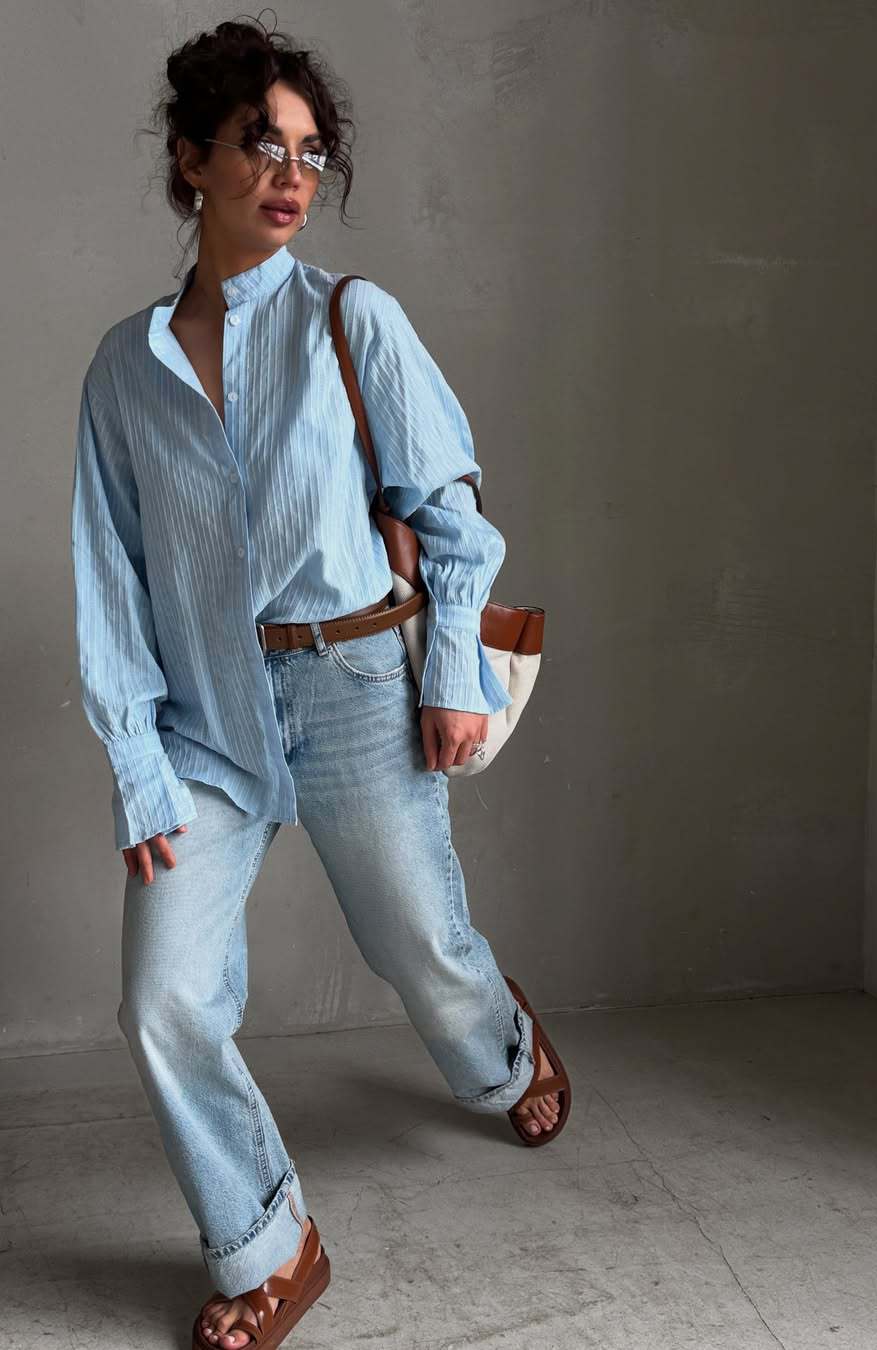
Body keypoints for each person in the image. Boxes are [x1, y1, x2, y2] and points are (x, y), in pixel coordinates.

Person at [69, 18, 569, 1349]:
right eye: (260, 145)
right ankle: (269, 1244)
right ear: (192, 161)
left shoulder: (355, 318)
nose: (292, 174)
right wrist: (136, 765)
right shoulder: (125, 368)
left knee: (419, 947)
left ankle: (503, 1055)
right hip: (203, 724)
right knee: (162, 998)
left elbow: (452, 518)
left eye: (309, 151)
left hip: (354, 684)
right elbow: (110, 581)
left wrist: (448, 670)